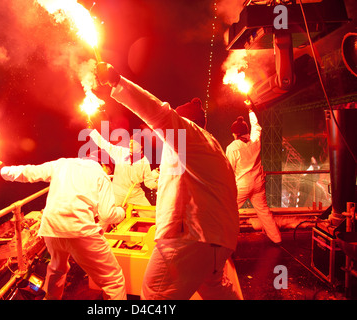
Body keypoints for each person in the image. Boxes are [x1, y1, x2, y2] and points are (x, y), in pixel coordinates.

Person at [96, 62, 241, 300]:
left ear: (182, 121)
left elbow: (159, 113)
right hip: (218, 239)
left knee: (155, 295)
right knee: (216, 290)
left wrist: (117, 82)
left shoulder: (187, 134)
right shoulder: (211, 149)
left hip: (190, 237)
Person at [0, 153, 127, 300]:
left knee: (57, 270)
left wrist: (2, 170)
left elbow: (29, 172)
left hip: (52, 229)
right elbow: (107, 215)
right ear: (106, 166)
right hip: (80, 232)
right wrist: (122, 212)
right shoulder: (101, 174)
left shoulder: (62, 164)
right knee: (114, 281)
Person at [225, 109, 282, 244]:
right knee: (263, 211)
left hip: (242, 185)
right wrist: (251, 110)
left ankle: (226, 241)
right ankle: (277, 238)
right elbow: (256, 127)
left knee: (228, 211)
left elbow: (229, 170)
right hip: (258, 183)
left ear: (236, 133)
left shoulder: (232, 147)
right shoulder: (255, 141)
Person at [88, 127, 159, 218]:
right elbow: (105, 144)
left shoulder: (144, 162)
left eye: (135, 142)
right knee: (106, 217)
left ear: (141, 146)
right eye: (131, 141)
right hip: (117, 193)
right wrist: (93, 132)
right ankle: (98, 231)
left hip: (135, 194)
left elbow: (148, 182)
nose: (131, 144)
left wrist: (159, 185)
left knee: (151, 217)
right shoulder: (120, 152)